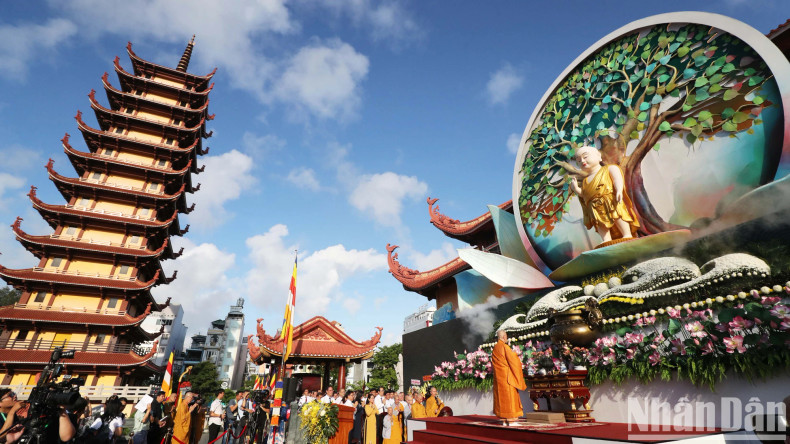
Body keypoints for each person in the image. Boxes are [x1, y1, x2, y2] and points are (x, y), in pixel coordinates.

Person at [569, 145, 639, 245]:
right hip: (595, 207)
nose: (582, 161)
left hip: (610, 200)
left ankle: (626, 234)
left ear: (599, 156)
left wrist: (619, 190)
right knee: (600, 223)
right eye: (579, 160)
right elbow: (585, 195)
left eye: (585, 157)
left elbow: (617, 179)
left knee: (617, 215)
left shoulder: (610, 168)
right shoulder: (585, 181)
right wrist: (576, 189)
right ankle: (606, 239)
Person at [492, 329, 527, 425]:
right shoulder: (504, 347)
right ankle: (511, 420)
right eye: (506, 337)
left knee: (501, 398)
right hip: (508, 378)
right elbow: (514, 362)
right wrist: (517, 357)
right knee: (510, 398)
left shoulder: (495, 348)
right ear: (504, 337)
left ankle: (504, 420)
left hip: (499, 378)